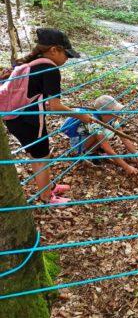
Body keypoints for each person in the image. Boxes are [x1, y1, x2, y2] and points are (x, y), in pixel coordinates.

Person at [4, 28, 93, 204]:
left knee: (37, 155)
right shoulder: (50, 69)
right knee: (41, 157)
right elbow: (55, 106)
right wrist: (81, 116)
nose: (67, 59)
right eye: (66, 55)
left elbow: (33, 92)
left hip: (15, 118)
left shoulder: (34, 62)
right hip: (29, 120)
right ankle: (46, 197)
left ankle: (49, 187)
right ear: (54, 50)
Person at [61, 95, 138, 175]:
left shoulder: (112, 119)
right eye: (114, 112)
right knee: (104, 133)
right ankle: (88, 153)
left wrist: (136, 154)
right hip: (78, 143)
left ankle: (93, 148)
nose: (117, 114)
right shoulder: (94, 123)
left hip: (86, 137)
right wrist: (127, 167)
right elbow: (108, 149)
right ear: (104, 113)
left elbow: (124, 137)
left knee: (105, 133)